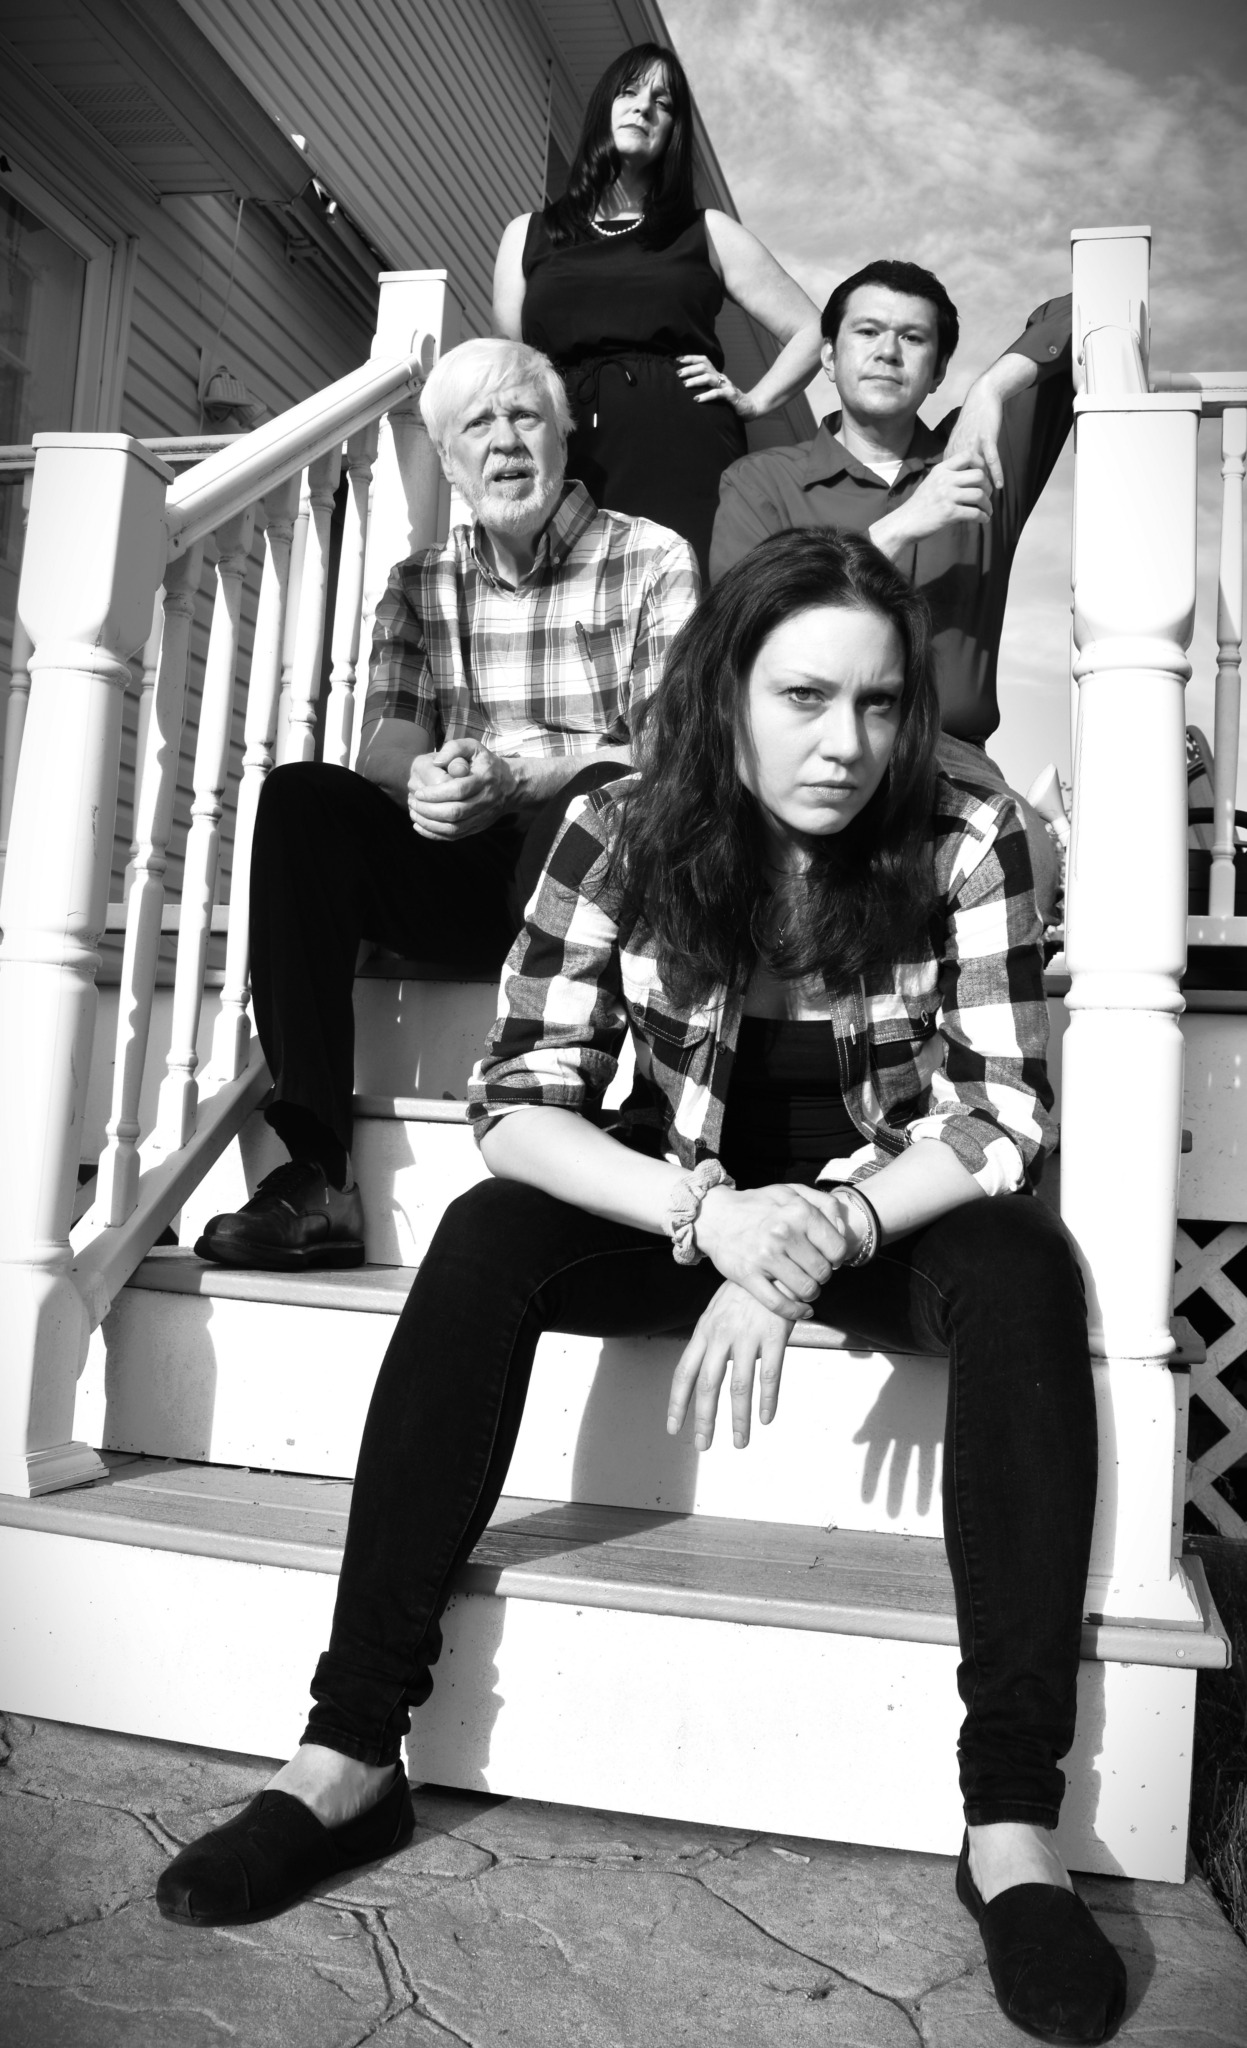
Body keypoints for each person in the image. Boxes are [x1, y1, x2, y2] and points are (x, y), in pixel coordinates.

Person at [160, 530, 1125, 2046]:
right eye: (803, 696)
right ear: (725, 691)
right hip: (679, 1189)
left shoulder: (965, 831)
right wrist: (708, 1217)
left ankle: (1009, 1826)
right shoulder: (617, 826)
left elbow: (996, 1114)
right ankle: (346, 1755)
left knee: (1022, 1272)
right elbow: (516, 1098)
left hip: (885, 1203)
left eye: (878, 703)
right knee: (482, 1235)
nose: (845, 741)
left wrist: (816, 1232)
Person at [194, 336, 698, 1272]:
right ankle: (316, 1174)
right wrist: (431, 778)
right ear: (449, 459)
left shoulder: (650, 556)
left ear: (563, 435)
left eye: (524, 416)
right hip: (468, 868)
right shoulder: (420, 582)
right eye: (477, 426)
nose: (504, 441)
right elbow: (387, 744)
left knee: (601, 793)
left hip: (593, 881)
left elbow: (669, 750)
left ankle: (580, 1140)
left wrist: (515, 776)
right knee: (302, 798)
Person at [711, 258, 1073, 917]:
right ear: (827, 356)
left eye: (912, 337)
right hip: (802, 740)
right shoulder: (760, 480)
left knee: (1027, 852)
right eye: (867, 331)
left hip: (945, 754)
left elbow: (1084, 307)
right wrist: (904, 524)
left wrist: (991, 389)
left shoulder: (981, 456)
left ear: (938, 370)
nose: (887, 351)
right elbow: (738, 621)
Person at [493, 41, 822, 581]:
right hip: (567, 453)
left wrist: (755, 400)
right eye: (629, 92)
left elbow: (814, 328)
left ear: (674, 130)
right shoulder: (529, 235)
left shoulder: (705, 232)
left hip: (684, 450)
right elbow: (511, 369)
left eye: (662, 102)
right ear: (605, 108)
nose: (643, 107)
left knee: (686, 608)